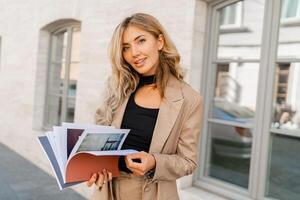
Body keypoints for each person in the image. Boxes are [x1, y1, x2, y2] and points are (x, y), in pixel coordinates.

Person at [86, 13, 203, 200]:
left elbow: (187, 161)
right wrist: (97, 166)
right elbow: (101, 144)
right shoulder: (118, 89)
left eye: (140, 41)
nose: (134, 53)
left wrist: (155, 162)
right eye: (126, 48)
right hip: (109, 192)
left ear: (160, 42)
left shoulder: (189, 98)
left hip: (155, 194)